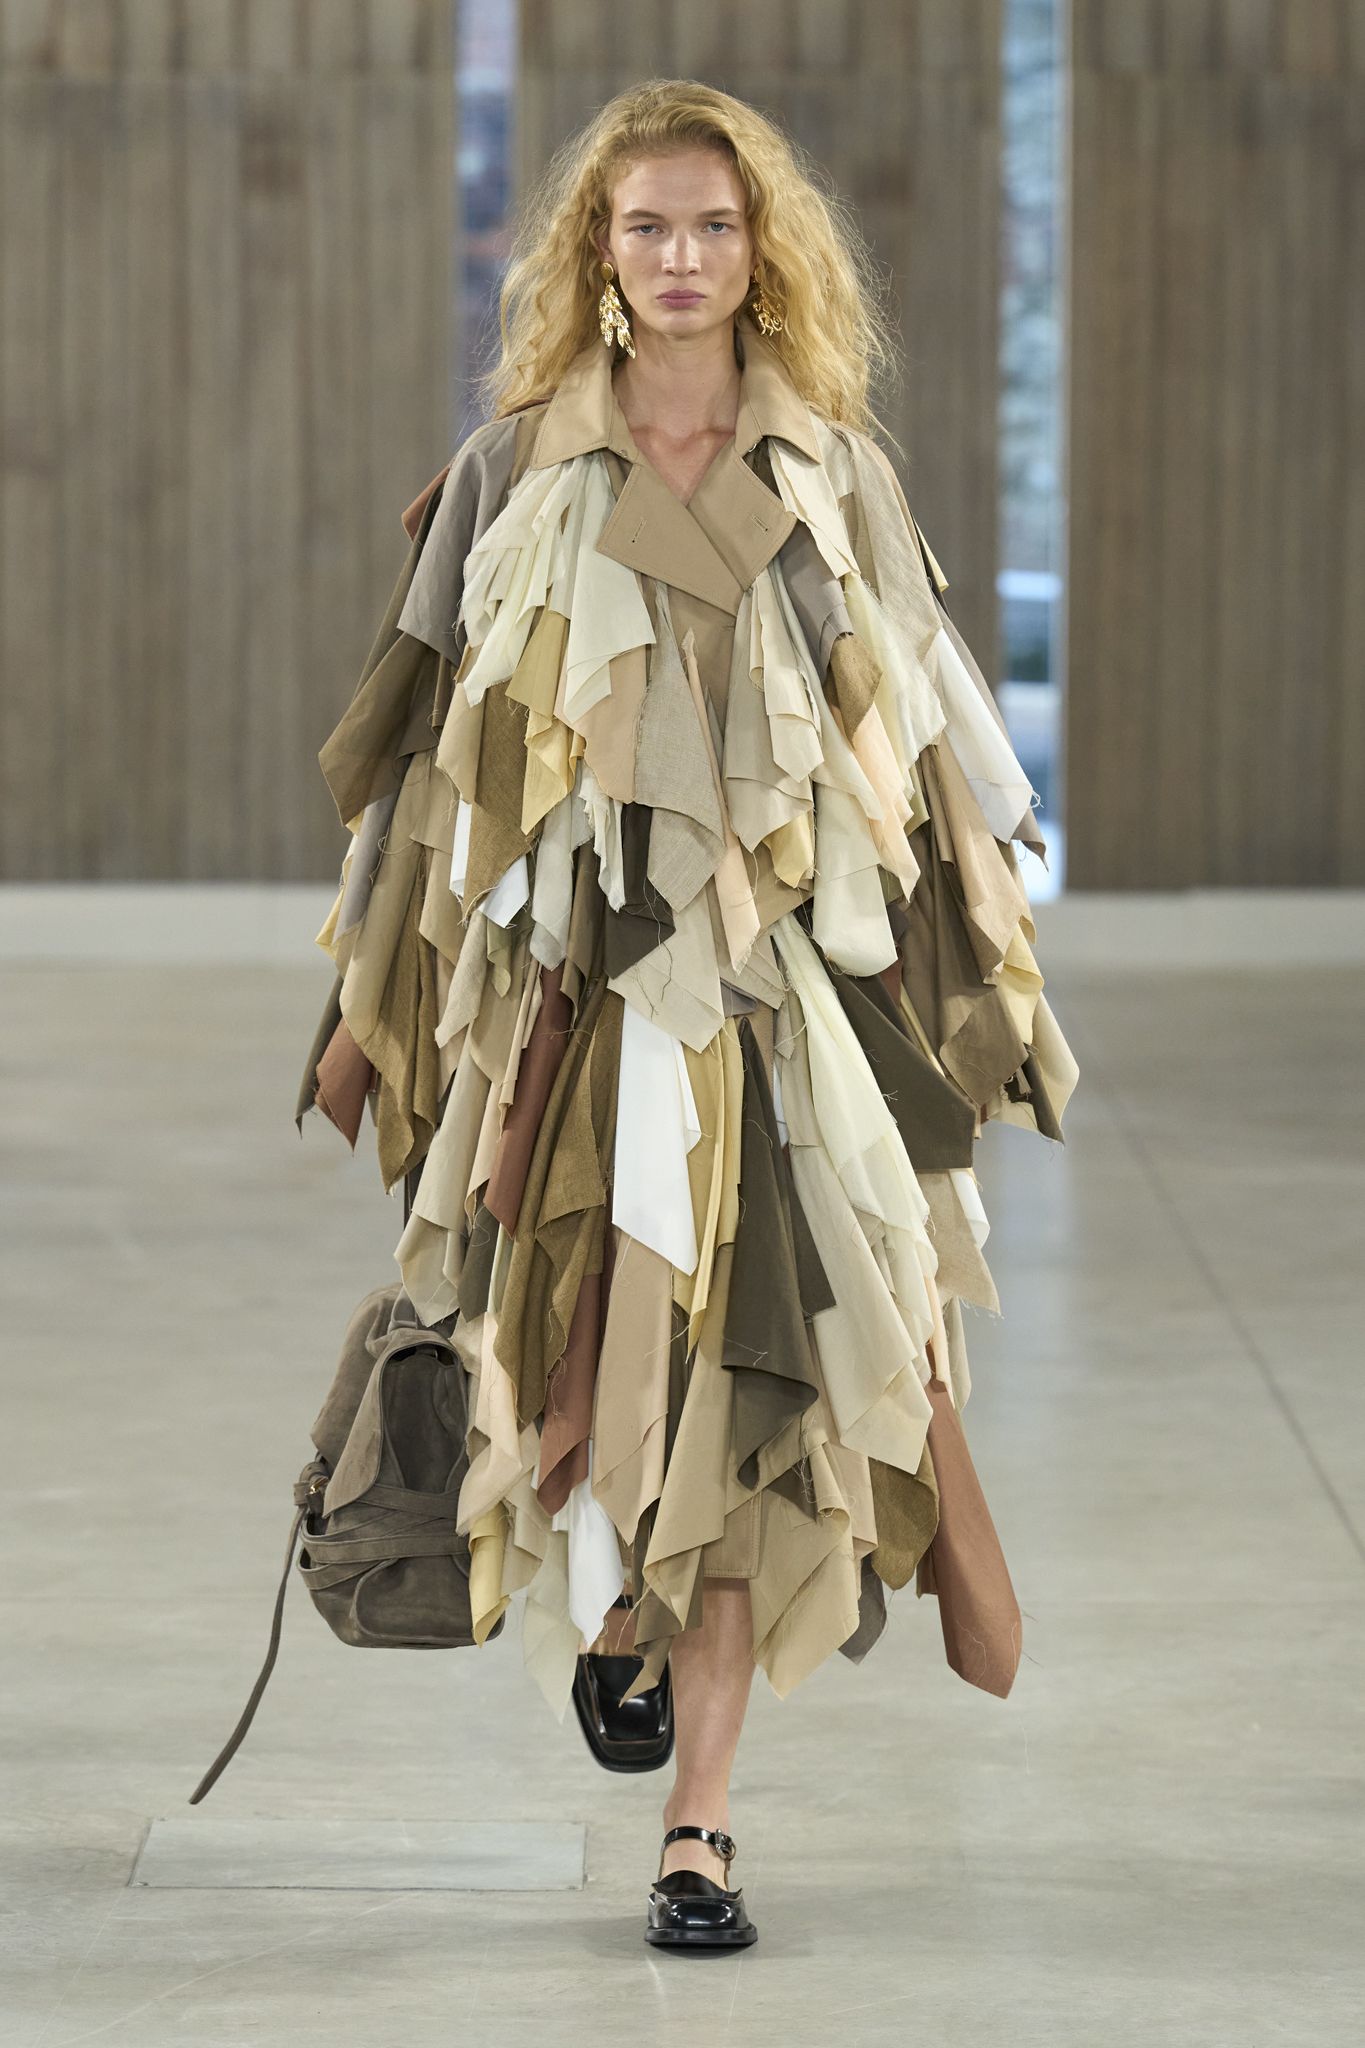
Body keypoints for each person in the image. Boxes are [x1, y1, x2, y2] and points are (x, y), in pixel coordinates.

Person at [297, 77, 1078, 1952]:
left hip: (779, 1010)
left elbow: (915, 746)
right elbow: (424, 765)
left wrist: (950, 986)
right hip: (571, 1003)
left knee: (750, 1403)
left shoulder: (830, 471)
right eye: (644, 225)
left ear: (759, 252)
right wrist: (380, 1000)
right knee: (574, 1361)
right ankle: (619, 1622)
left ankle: (699, 1827)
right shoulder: (511, 471)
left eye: (713, 227)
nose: (678, 257)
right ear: (597, 249)